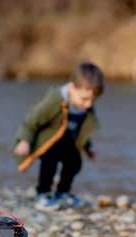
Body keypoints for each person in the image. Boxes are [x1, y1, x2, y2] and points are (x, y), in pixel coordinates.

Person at [13, 61, 104, 211]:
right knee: (50, 162)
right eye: (84, 99)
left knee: (75, 162)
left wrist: (88, 148)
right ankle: (43, 194)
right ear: (72, 88)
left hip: (67, 142)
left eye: (92, 100)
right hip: (48, 141)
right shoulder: (55, 100)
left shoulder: (85, 108)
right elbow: (31, 120)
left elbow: (82, 131)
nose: (88, 104)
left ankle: (63, 192)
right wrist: (24, 140)